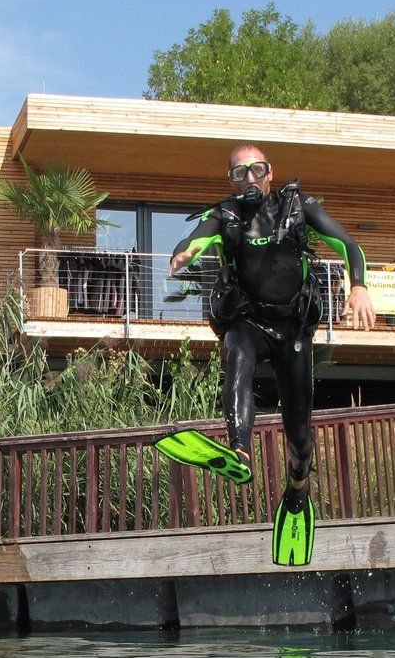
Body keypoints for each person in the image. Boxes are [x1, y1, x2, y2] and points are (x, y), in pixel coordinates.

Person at [155, 144, 376, 567]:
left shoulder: (298, 205)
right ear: (231, 180)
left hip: (293, 328)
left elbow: (349, 244)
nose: (249, 179)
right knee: (235, 353)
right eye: (239, 174)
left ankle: (298, 486)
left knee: (299, 432)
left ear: (270, 172)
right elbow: (196, 238)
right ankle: (238, 451)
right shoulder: (226, 213)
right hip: (249, 322)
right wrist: (184, 252)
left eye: (256, 170)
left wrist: (359, 285)